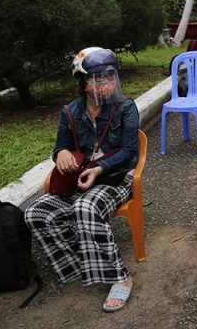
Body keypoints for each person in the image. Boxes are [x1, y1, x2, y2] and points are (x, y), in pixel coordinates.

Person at [25, 48, 139, 312]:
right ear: (82, 82)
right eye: (97, 78)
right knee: (36, 213)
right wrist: (62, 154)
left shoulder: (126, 108)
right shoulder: (70, 112)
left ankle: (120, 276)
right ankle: (80, 261)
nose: (105, 83)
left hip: (114, 179)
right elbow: (60, 148)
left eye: (110, 76)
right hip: (80, 180)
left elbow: (129, 152)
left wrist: (99, 170)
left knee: (84, 208)